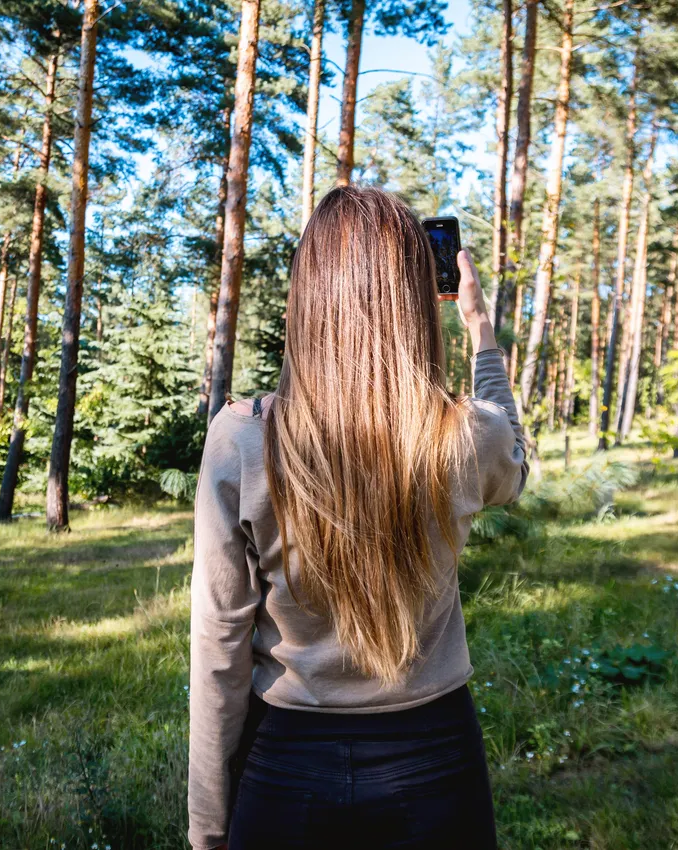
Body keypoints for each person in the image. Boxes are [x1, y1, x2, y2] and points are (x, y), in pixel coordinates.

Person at [188, 186, 528, 850]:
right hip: (437, 764)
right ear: (414, 301)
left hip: (287, 771)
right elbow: (512, 458)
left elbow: (218, 650)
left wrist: (207, 828)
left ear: (309, 297)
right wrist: (481, 331)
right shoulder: (465, 437)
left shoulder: (242, 439)